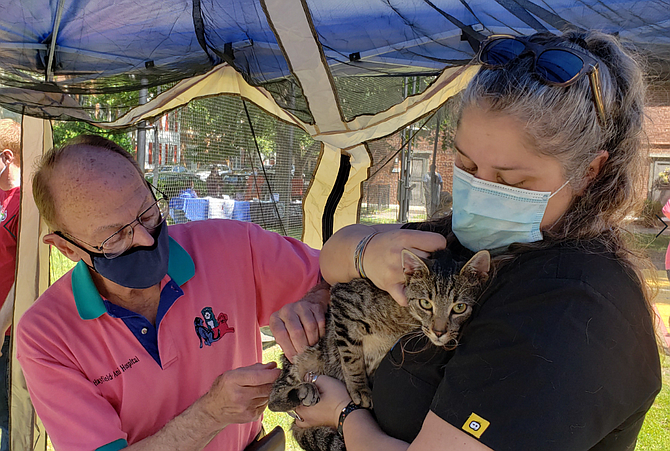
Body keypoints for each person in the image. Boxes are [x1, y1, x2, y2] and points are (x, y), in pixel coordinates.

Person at [301, 30, 662, 451]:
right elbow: (334, 254)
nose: (481, 191)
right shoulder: (471, 239)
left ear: (589, 172)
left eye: (512, 180)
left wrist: (345, 415)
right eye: (466, 165)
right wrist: (360, 257)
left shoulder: (567, 308)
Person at [15, 135, 328, 451]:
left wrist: (316, 299)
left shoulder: (230, 247)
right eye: (114, 237)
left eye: (147, 213)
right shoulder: (46, 334)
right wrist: (209, 415)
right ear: (67, 248)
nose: (146, 239)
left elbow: (340, 272)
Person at [0, 119, 21, 451]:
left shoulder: (25, 203)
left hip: (7, 333)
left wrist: (1, 324)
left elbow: (26, 273)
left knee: (8, 416)